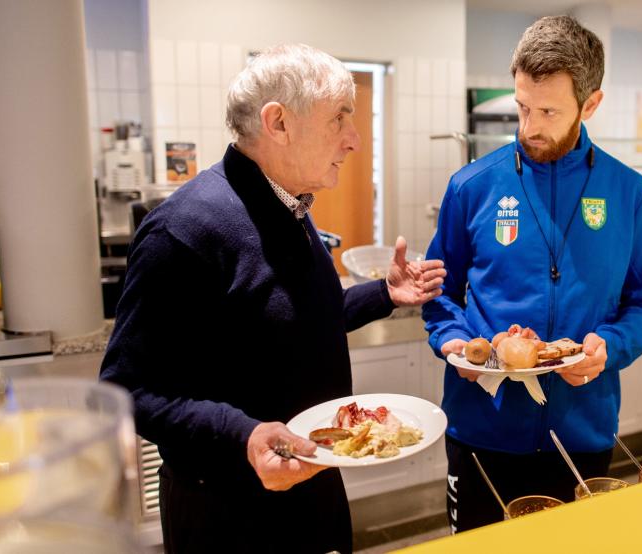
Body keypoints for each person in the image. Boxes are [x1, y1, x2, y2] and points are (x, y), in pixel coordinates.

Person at [100, 44, 445, 553]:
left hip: (315, 482)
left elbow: (287, 321)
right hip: (228, 509)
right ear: (278, 122)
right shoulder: (185, 229)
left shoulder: (292, 211)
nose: (354, 140)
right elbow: (126, 390)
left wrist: (383, 295)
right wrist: (243, 434)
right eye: (339, 119)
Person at [422, 16, 642, 533]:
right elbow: (439, 294)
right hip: (481, 430)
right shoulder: (471, 186)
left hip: (582, 434)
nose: (529, 126)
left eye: (549, 111)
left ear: (592, 104)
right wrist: (453, 343)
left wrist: (609, 345)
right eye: (522, 107)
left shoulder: (632, 195)